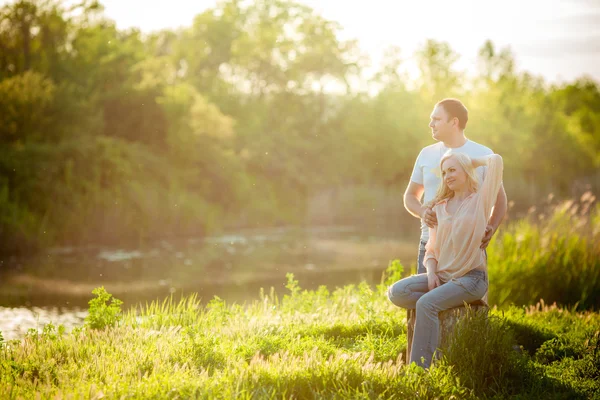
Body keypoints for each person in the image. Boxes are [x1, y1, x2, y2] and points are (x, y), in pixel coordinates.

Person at [388, 151, 504, 368]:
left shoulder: (480, 200)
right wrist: (431, 273)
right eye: (444, 172)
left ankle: (419, 370)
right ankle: (446, 300)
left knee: (426, 304)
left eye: (452, 169)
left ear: (465, 170)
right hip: (442, 276)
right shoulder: (439, 207)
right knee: (397, 292)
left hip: (472, 279)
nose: (447, 175)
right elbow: (431, 249)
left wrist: (470, 159)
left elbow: (495, 161)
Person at [403, 98, 507, 275]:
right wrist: (422, 212)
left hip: (468, 248)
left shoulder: (483, 153)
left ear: (454, 122)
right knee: (425, 301)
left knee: (468, 302)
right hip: (430, 248)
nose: (430, 124)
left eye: (436, 119)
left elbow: (500, 200)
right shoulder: (426, 154)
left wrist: (491, 226)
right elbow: (410, 196)